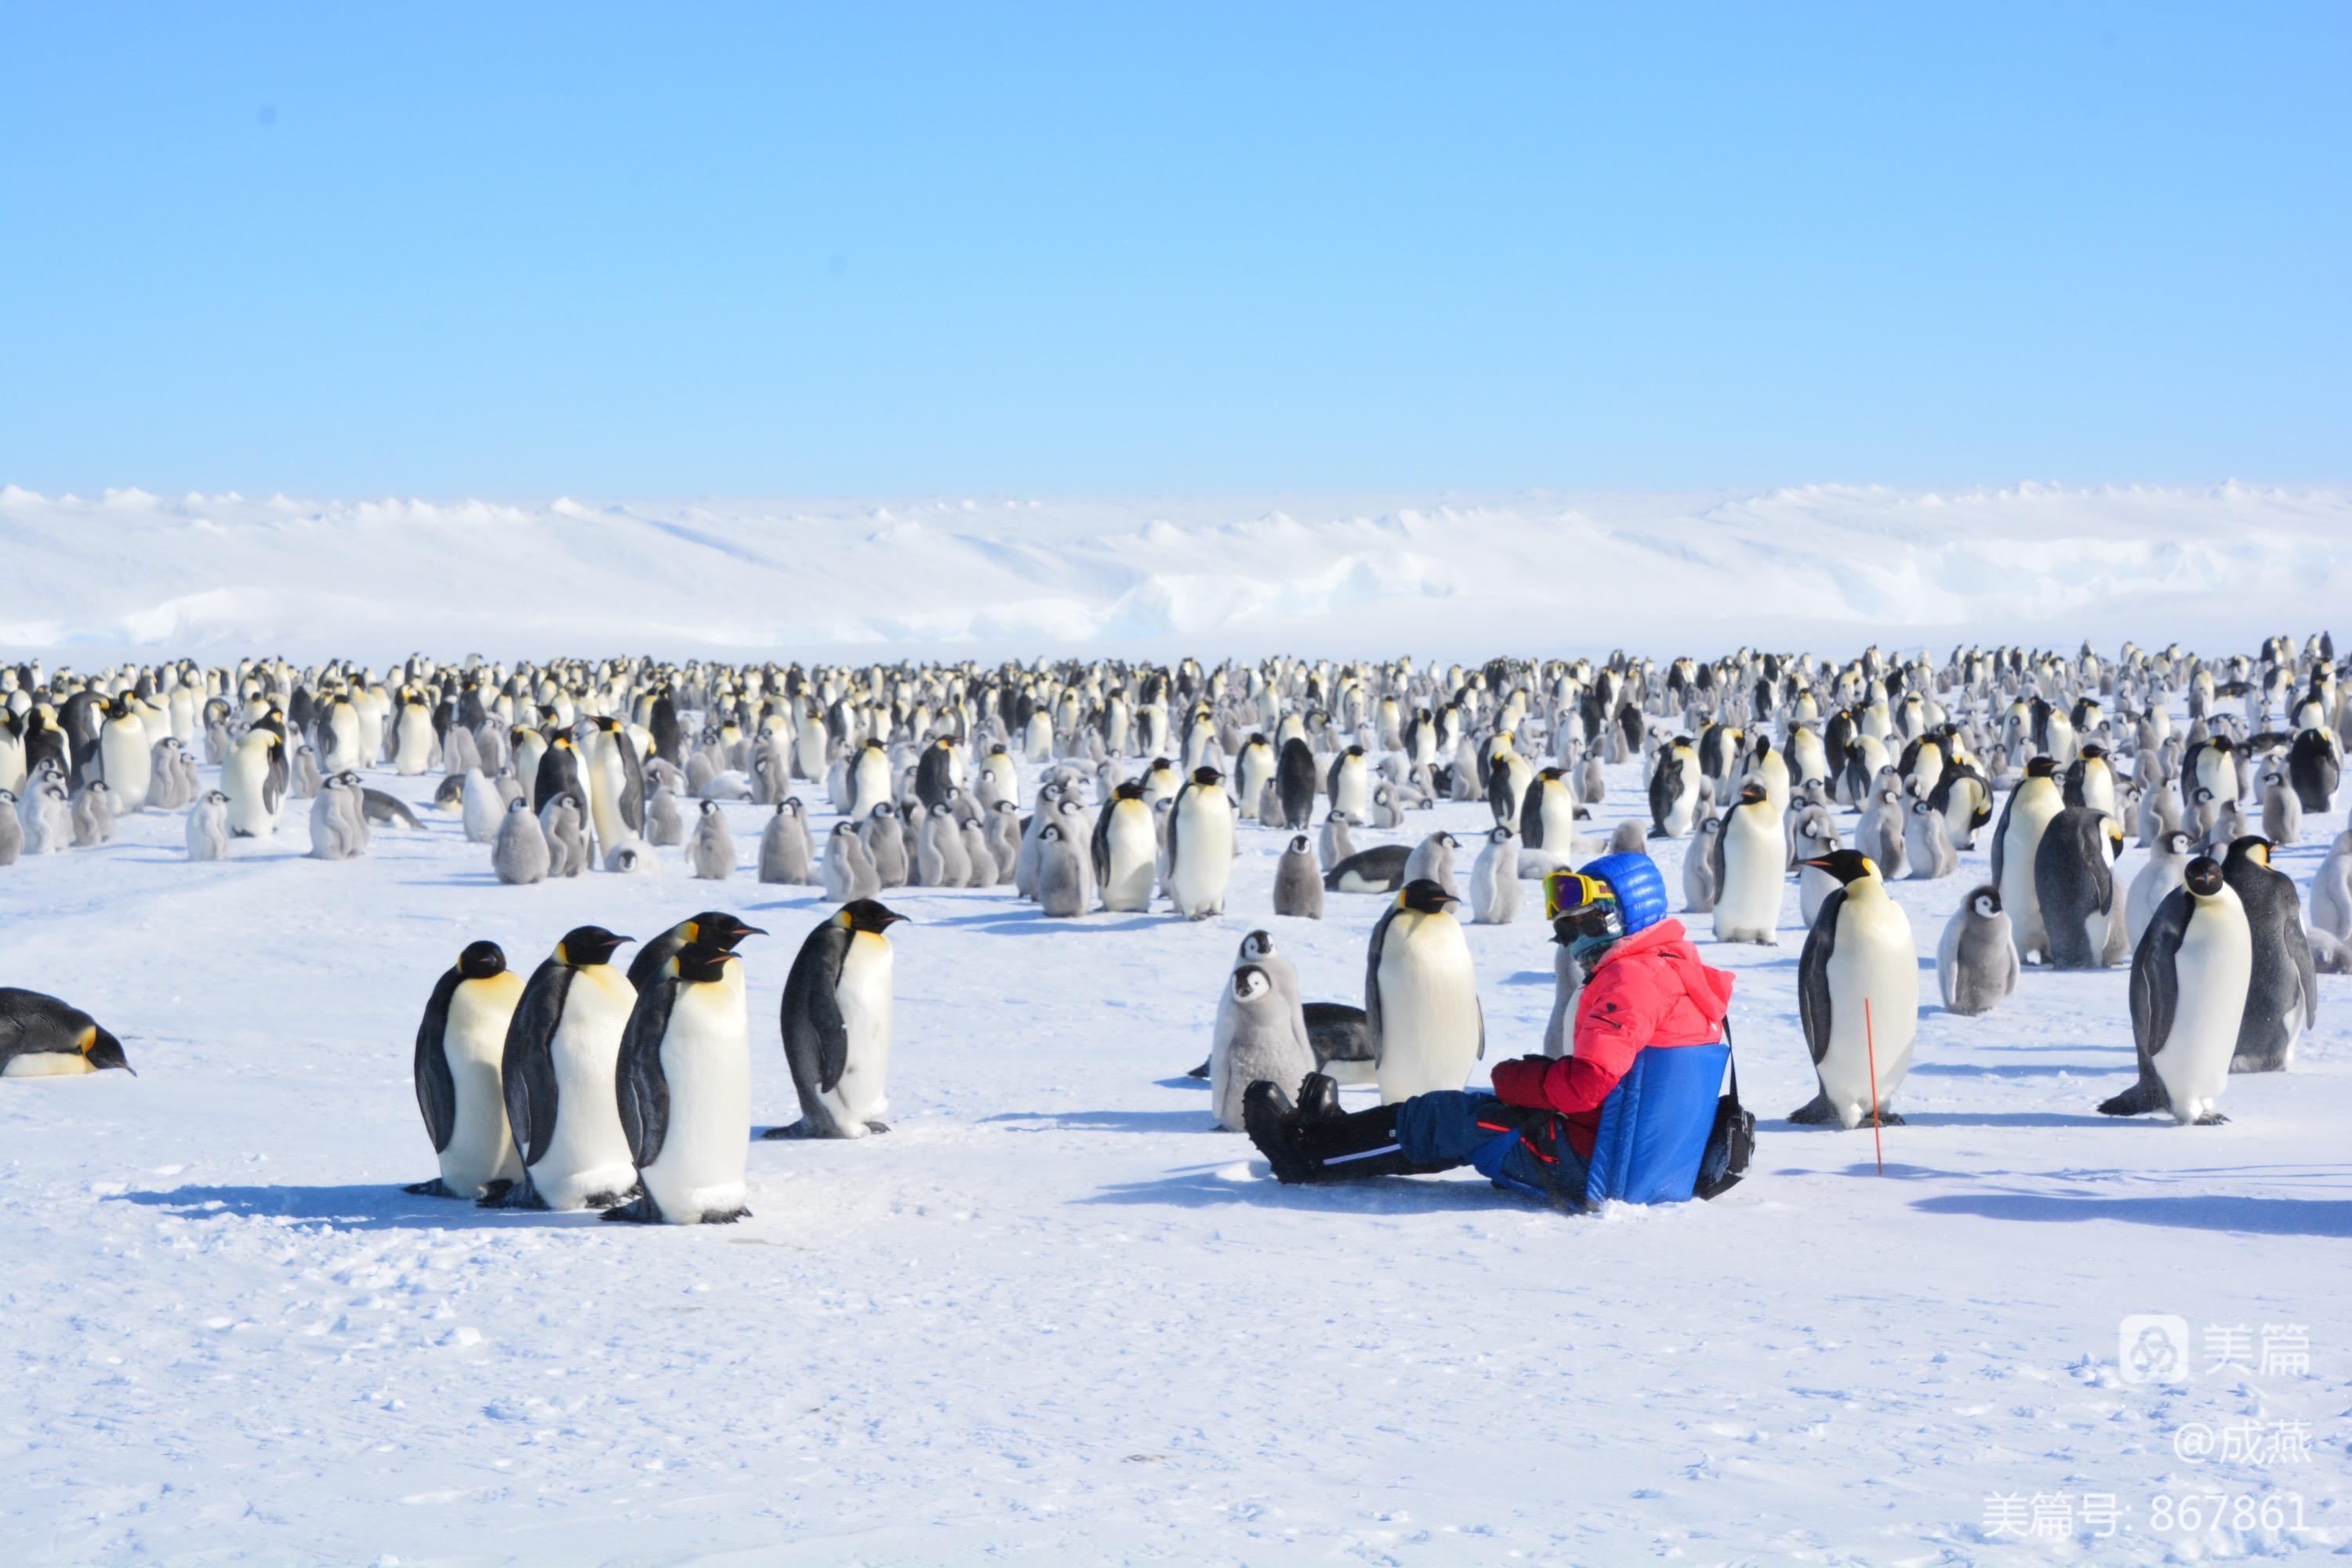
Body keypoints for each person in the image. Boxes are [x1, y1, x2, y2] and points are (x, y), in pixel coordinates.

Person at [1244, 852, 1734, 1203]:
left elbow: (1589, 1085)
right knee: (1481, 1110)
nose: (1569, 946)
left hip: (1593, 1169)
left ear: (1615, 919)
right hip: (1633, 1160)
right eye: (1562, 932)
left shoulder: (1630, 978)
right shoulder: (1676, 970)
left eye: (1576, 928)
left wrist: (1518, 1080)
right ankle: (1340, 1136)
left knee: (1454, 1118)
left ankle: (1309, 1154)